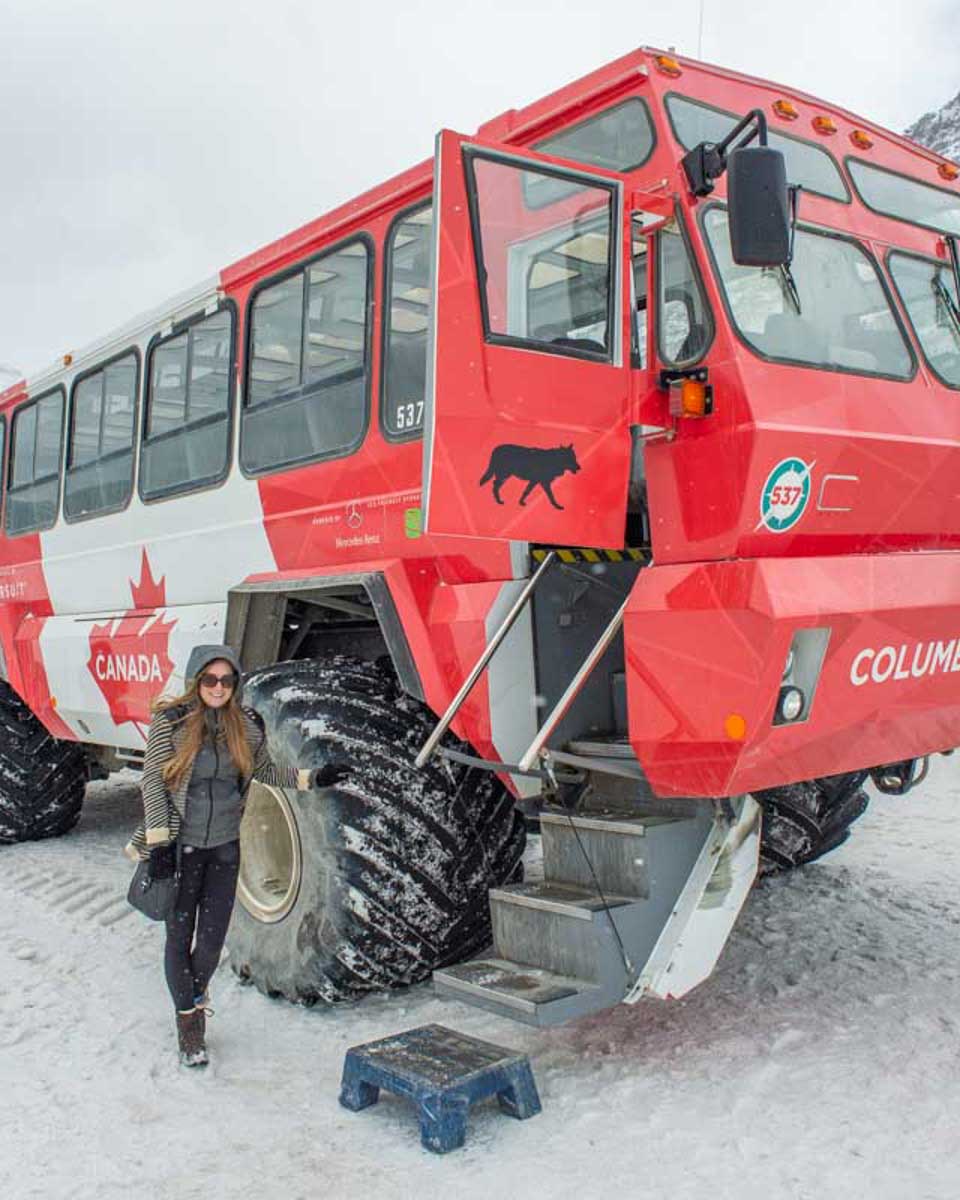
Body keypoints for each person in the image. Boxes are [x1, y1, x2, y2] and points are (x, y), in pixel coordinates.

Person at [126, 644, 345, 1068]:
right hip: (180, 848)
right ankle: (189, 1025)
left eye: (227, 680)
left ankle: (194, 994)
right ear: (196, 681)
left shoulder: (246, 725)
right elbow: (152, 783)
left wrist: (313, 777)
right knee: (178, 937)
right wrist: (157, 847)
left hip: (225, 848)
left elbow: (265, 772)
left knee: (210, 943)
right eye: (210, 679)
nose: (218, 687)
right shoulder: (170, 723)